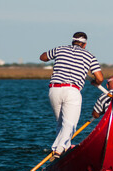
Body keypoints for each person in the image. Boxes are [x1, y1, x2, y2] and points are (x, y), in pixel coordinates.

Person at [40, 32, 104, 160]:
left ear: (72, 41)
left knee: (61, 123)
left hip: (54, 90)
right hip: (72, 90)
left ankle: (64, 149)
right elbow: (100, 78)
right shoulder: (90, 56)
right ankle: (59, 149)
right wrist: (96, 82)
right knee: (70, 124)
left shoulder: (59, 49)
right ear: (85, 44)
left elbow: (43, 57)